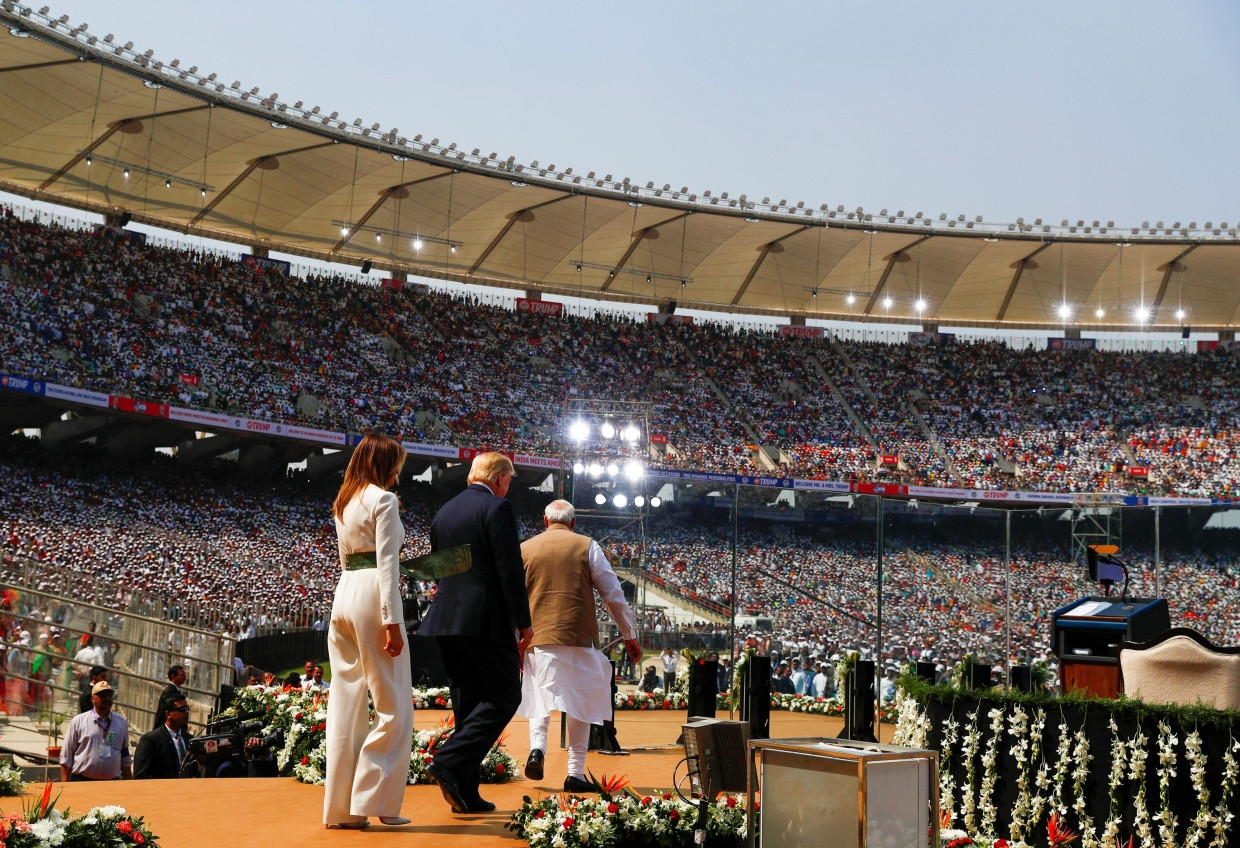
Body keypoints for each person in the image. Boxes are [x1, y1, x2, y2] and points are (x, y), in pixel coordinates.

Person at [419, 452, 533, 815]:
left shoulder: (444, 512)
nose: (508, 487)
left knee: (467, 705)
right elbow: (508, 569)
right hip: (485, 621)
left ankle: (465, 793)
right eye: (510, 480)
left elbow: (439, 568)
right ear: (500, 478)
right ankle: (449, 760)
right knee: (504, 696)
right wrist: (524, 622)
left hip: (447, 620)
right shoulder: (498, 509)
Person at [516, 500, 642, 793]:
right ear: (573, 523)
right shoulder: (587, 546)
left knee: (540, 696)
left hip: (537, 637)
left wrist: (516, 644)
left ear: (545, 522)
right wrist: (629, 635)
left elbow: (513, 600)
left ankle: (537, 749)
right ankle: (575, 772)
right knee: (580, 704)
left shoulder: (524, 549)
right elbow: (613, 593)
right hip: (579, 636)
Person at [323, 433, 413, 829]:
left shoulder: (344, 501)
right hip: (374, 596)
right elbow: (387, 566)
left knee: (346, 704)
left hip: (344, 593)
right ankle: (378, 802)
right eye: (398, 463)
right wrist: (392, 621)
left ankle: (341, 811)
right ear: (386, 463)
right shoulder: (384, 500)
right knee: (393, 704)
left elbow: (355, 560)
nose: (400, 472)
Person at [60, 680, 133, 781]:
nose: (107, 698)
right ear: (92, 698)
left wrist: (129, 782)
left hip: (112, 783)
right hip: (83, 782)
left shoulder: (121, 722)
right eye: (102, 695)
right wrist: (65, 785)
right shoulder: (78, 721)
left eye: (110, 695)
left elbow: (125, 756)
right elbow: (66, 756)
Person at [134, 694, 193, 779]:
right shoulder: (150, 740)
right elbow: (141, 775)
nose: (186, 712)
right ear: (168, 714)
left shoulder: (189, 739)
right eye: (182, 709)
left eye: (187, 708)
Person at [153, 665, 187, 730]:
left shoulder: (175, 690)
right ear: (173, 676)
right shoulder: (170, 692)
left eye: (185, 675)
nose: (185, 677)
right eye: (182, 675)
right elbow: (162, 713)